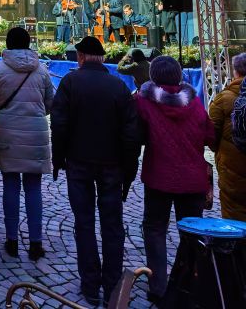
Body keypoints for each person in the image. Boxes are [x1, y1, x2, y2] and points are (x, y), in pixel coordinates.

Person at [51, 36, 139, 306]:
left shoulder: (69, 83)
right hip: (112, 165)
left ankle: (90, 284)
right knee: (112, 225)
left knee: (84, 223)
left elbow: (59, 125)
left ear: (80, 57)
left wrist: (58, 159)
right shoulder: (118, 86)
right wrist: (129, 169)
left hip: (78, 162)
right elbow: (130, 133)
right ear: (101, 58)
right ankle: (112, 283)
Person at [135, 55, 214, 303]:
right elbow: (211, 136)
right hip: (193, 179)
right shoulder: (195, 104)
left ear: (153, 76)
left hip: (159, 176)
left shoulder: (143, 102)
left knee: (155, 229)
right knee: (191, 234)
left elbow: (135, 135)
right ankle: (188, 283)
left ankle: (158, 286)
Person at [0, 27, 53, 260]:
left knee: (10, 185)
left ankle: (12, 240)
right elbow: (49, 102)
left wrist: (3, 112)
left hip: (7, 132)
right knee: (34, 188)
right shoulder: (42, 70)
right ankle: (35, 243)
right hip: (36, 134)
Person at [209, 53, 246, 221]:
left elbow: (211, 137)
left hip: (232, 168)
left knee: (235, 219)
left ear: (236, 72)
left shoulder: (223, 99)